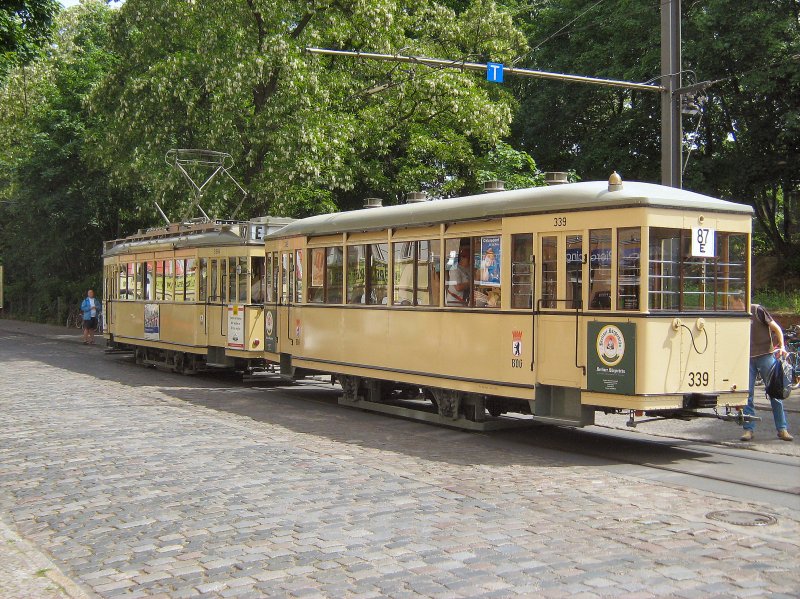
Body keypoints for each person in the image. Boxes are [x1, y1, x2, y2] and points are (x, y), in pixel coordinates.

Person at [733, 295, 793, 442]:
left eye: (732, 303)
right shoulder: (737, 316)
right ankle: (748, 430)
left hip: (766, 356)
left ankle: (782, 429)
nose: (731, 307)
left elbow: (776, 328)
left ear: (740, 301)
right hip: (748, 359)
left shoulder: (757, 310)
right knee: (748, 394)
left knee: (775, 392)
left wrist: (782, 347)